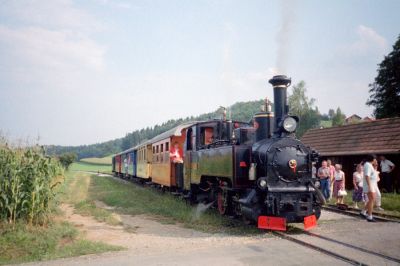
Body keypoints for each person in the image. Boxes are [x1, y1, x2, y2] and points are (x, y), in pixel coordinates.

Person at [360, 155, 378, 222]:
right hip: (370, 186)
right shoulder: (368, 165)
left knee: (371, 200)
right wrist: (370, 186)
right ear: (373, 159)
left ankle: (363, 212)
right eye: (375, 159)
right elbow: (367, 176)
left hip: (372, 185)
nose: (376, 160)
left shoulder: (369, 165)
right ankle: (369, 216)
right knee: (371, 200)